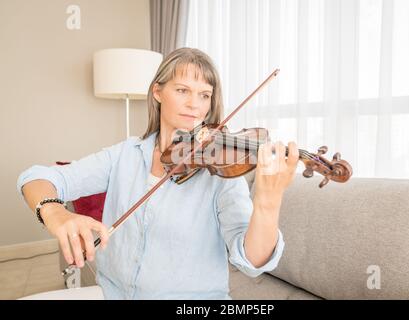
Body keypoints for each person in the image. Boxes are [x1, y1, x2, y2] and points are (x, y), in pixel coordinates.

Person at [17, 47, 299, 299]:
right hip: (112, 293)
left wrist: (268, 201)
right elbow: (37, 178)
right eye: (182, 90)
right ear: (157, 92)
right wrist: (55, 213)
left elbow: (251, 261)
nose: (195, 104)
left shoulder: (221, 172)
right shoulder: (126, 154)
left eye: (204, 95)